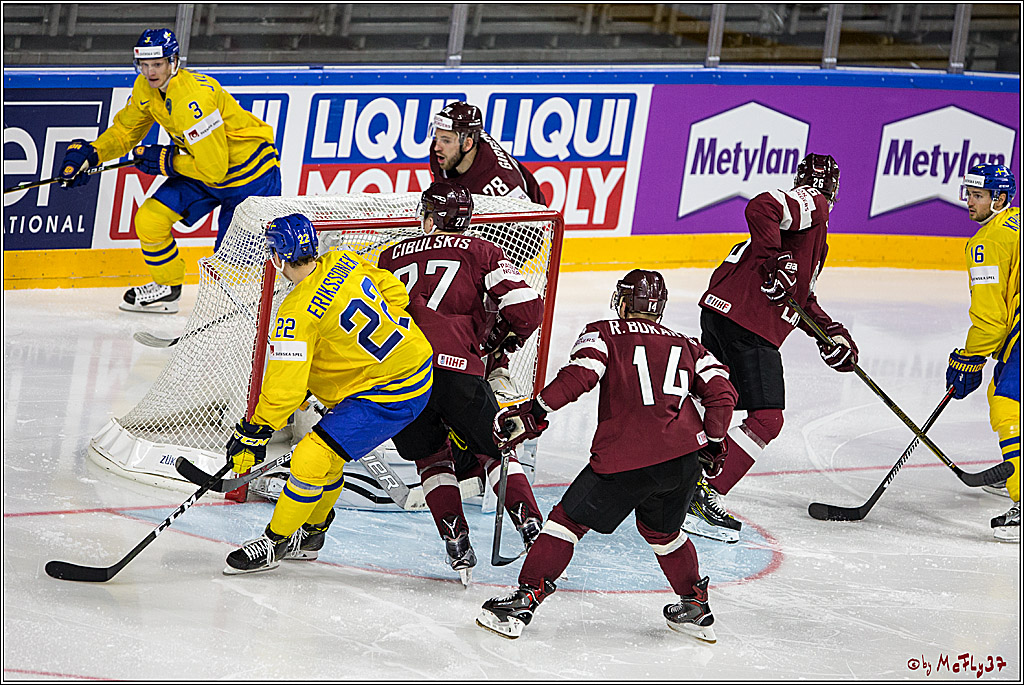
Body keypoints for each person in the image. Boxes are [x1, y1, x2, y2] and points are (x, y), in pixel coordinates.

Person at [476, 270, 738, 642]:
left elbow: (581, 375)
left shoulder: (605, 331)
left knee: (566, 522)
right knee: (662, 532)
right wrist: (713, 441)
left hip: (626, 457)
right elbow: (722, 394)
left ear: (626, 302)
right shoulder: (690, 344)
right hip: (683, 460)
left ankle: (524, 600)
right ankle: (694, 604)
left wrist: (535, 411)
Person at [222, 213, 433, 574]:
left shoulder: (295, 313)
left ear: (278, 255)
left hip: (390, 390)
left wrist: (255, 431)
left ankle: (276, 542)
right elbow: (395, 292)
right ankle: (313, 533)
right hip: (413, 363)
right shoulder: (344, 258)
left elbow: (285, 389)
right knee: (329, 459)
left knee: (311, 458)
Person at [378, 180, 546, 586]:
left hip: (401, 377)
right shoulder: (482, 250)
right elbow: (527, 309)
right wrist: (496, 338)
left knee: (431, 459)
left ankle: (455, 541)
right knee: (497, 451)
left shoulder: (387, 257)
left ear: (430, 217)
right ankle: (530, 527)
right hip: (457, 370)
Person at [687, 153, 856, 543]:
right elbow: (761, 205)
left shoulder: (812, 235)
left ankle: (674, 482)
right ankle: (700, 495)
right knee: (766, 419)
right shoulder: (815, 203)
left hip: (720, 312)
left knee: (718, 401)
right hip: (748, 324)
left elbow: (801, 298)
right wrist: (776, 258)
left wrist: (832, 335)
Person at [57, 28, 281, 314]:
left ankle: (263, 317)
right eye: (145, 64)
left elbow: (215, 168)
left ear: (173, 62)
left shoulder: (193, 100)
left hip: (251, 176)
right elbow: (126, 132)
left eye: (158, 64)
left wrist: (166, 161)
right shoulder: (145, 89)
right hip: (203, 167)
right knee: (151, 219)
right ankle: (167, 289)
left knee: (237, 267)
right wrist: (94, 152)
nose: (150, 72)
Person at [948, 164, 1019, 542]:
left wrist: (969, 358)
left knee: (1007, 401)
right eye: (970, 194)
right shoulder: (1017, 222)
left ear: (1000, 198)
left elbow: (992, 320)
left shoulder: (986, 242)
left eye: (979, 196)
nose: (970, 202)